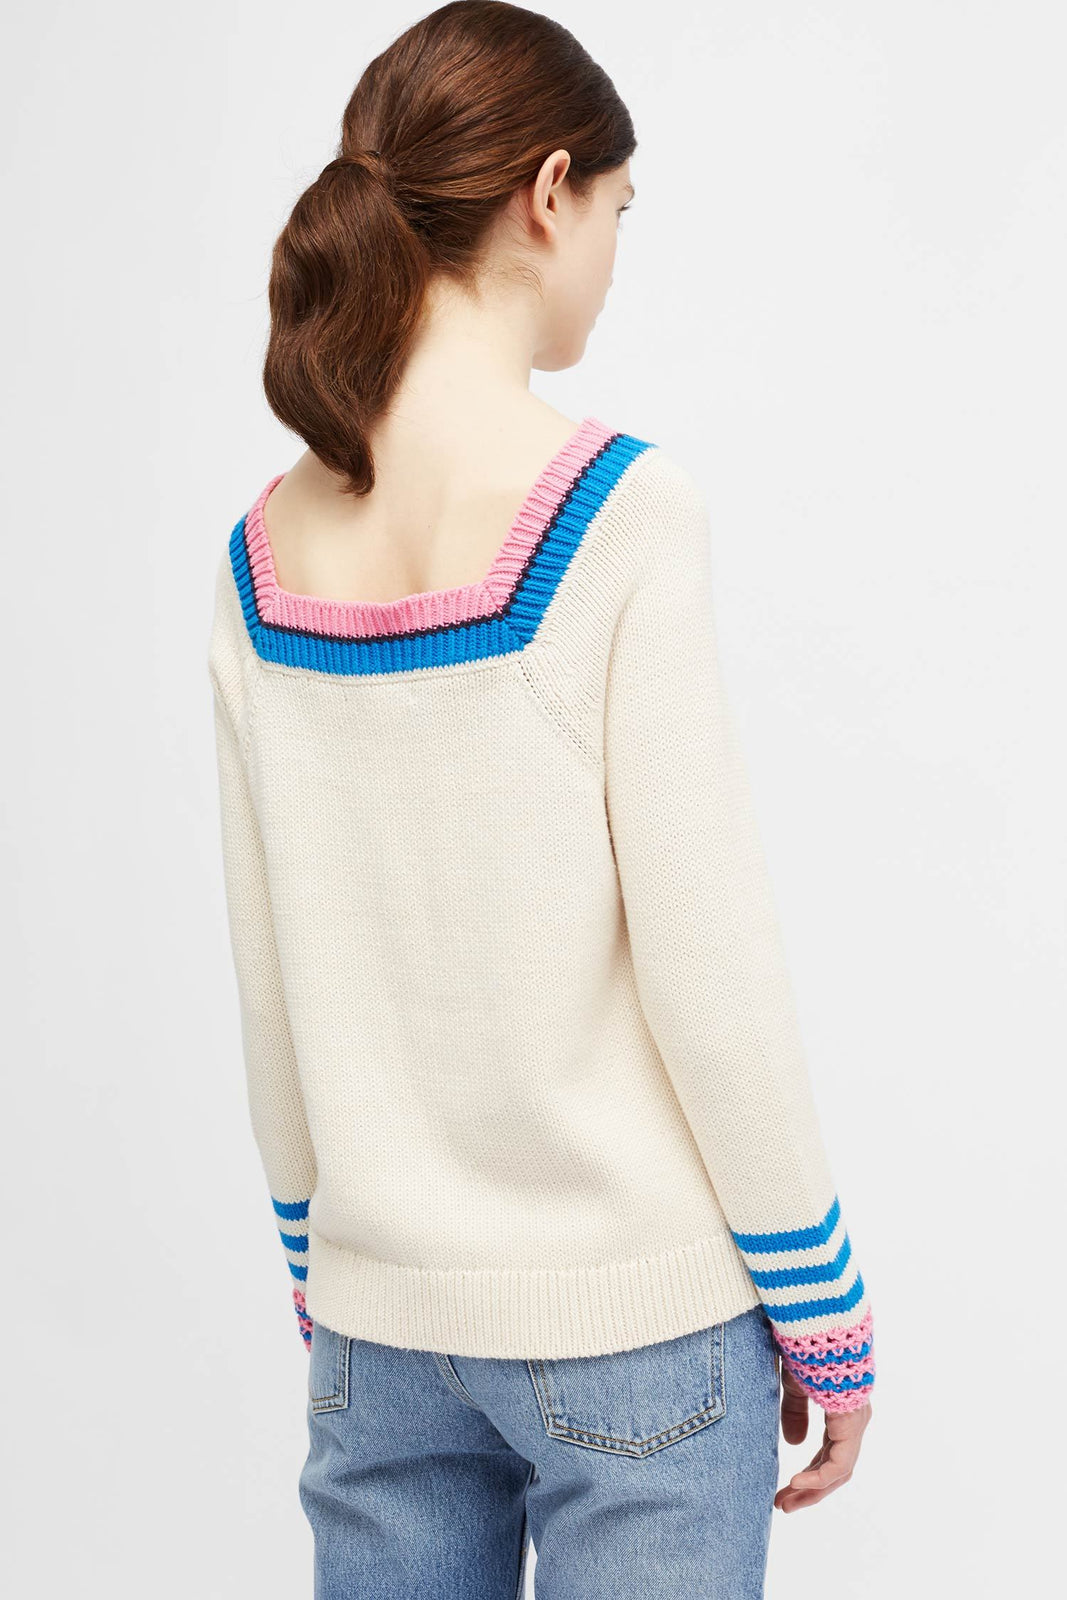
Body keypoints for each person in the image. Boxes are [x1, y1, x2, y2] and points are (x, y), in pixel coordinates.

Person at [206, 3, 875, 1595]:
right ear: (550, 192)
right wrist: (822, 1302)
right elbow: (710, 960)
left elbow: (270, 980)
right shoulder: (623, 510)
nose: (616, 256)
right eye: (621, 210)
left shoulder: (259, 553)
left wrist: (322, 1263)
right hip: (637, 1332)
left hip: (376, 1330)